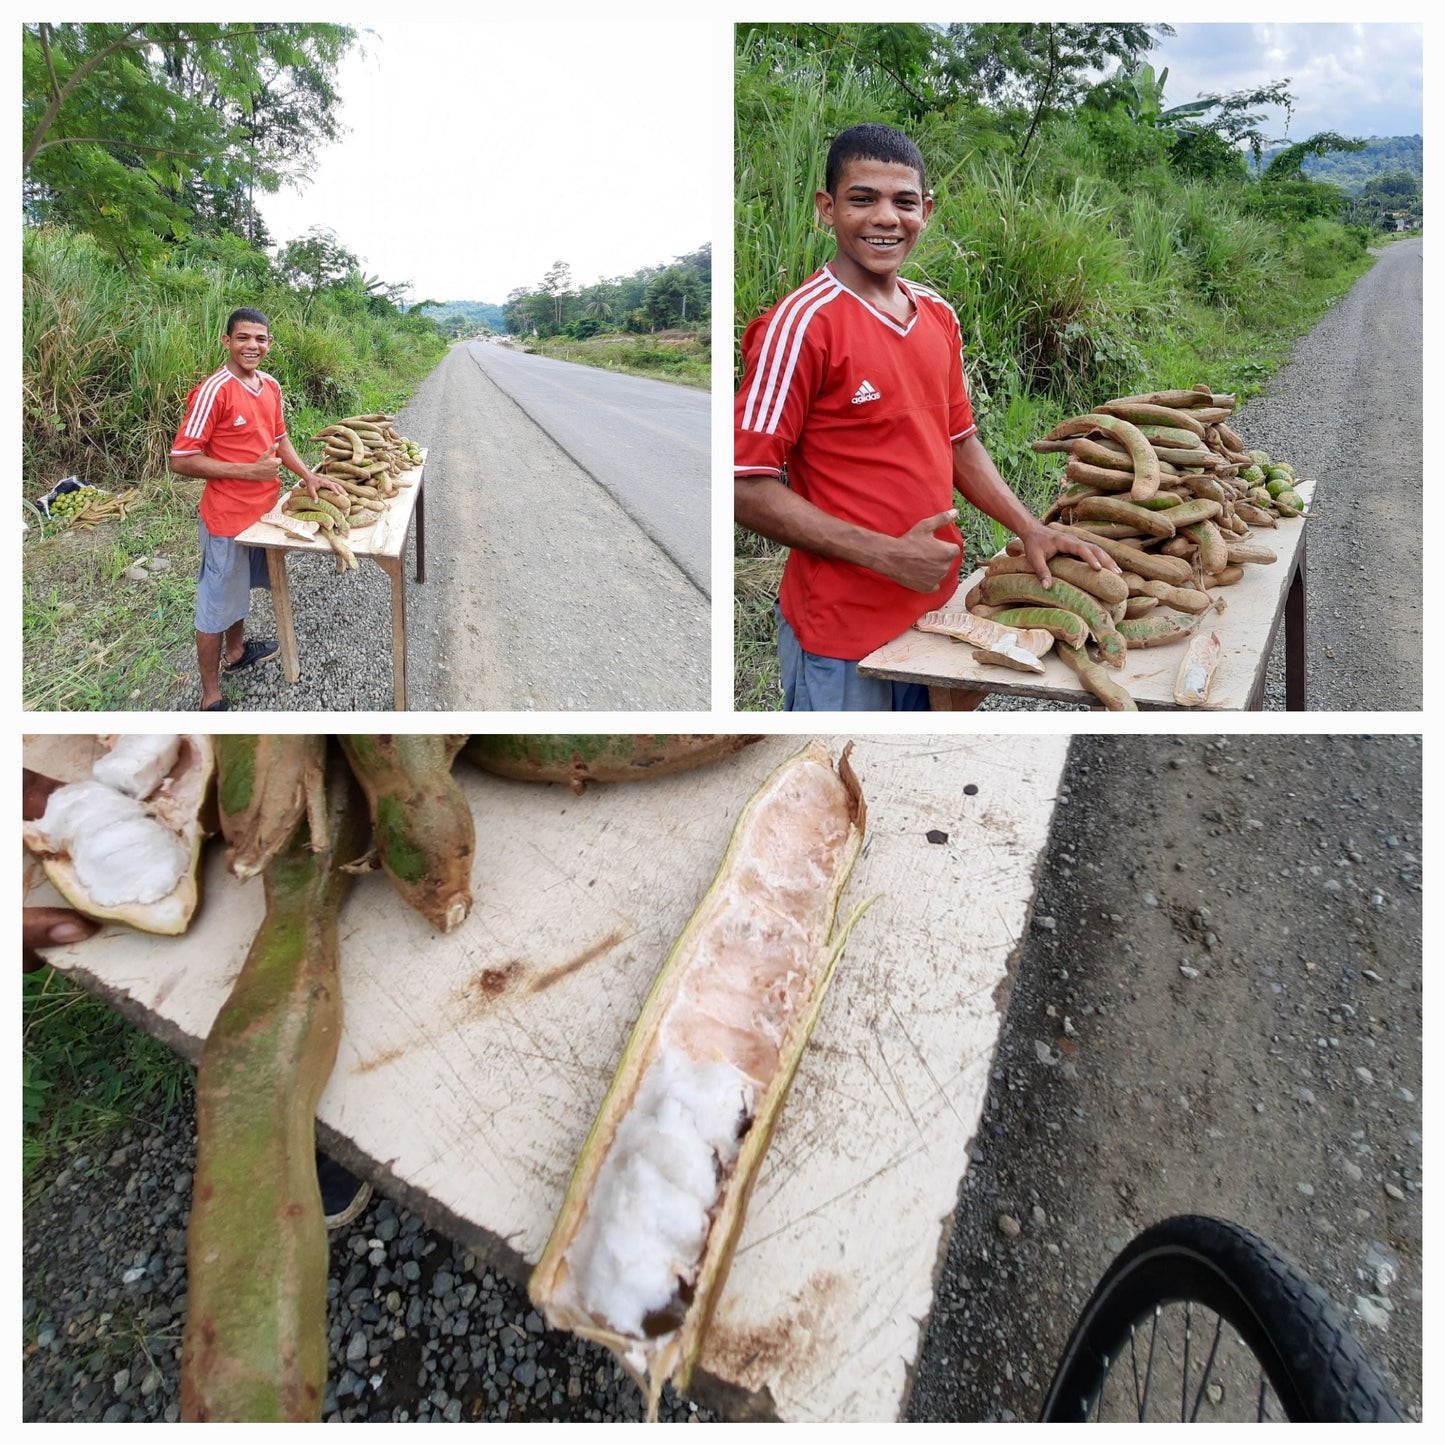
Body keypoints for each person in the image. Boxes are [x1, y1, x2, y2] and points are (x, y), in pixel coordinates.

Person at [735, 122, 1120, 711]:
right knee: (849, 777)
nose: (886, 217)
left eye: (904, 201)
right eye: (862, 199)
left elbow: (959, 441)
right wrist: (884, 555)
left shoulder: (937, 313)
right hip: (844, 634)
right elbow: (744, 484)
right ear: (826, 209)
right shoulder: (801, 325)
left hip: (941, 613)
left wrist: (1030, 528)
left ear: (926, 211)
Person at [168, 308, 346, 712]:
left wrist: (308, 475)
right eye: (244, 338)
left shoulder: (270, 386)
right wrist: (248, 470)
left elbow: (279, 439)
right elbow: (181, 458)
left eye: (260, 339)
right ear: (226, 341)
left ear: (269, 344)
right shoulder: (214, 390)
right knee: (216, 604)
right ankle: (210, 694)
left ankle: (237, 652)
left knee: (242, 589)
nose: (253, 346)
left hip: (266, 514)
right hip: (226, 518)